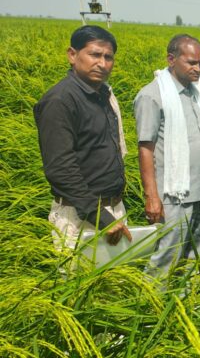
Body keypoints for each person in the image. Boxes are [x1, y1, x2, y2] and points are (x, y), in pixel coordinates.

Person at [34, 25, 132, 251]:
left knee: (115, 284)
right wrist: (100, 217)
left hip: (112, 211)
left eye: (109, 57)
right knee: (78, 282)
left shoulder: (103, 94)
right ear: (72, 55)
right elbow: (60, 168)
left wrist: (112, 215)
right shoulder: (60, 101)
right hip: (79, 215)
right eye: (95, 54)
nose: (103, 63)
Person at [134, 34, 200, 281]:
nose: (198, 69)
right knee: (166, 256)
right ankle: (152, 310)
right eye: (192, 63)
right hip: (174, 195)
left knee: (198, 254)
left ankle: (187, 304)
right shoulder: (153, 96)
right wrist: (151, 197)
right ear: (171, 60)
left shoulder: (195, 93)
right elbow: (145, 149)